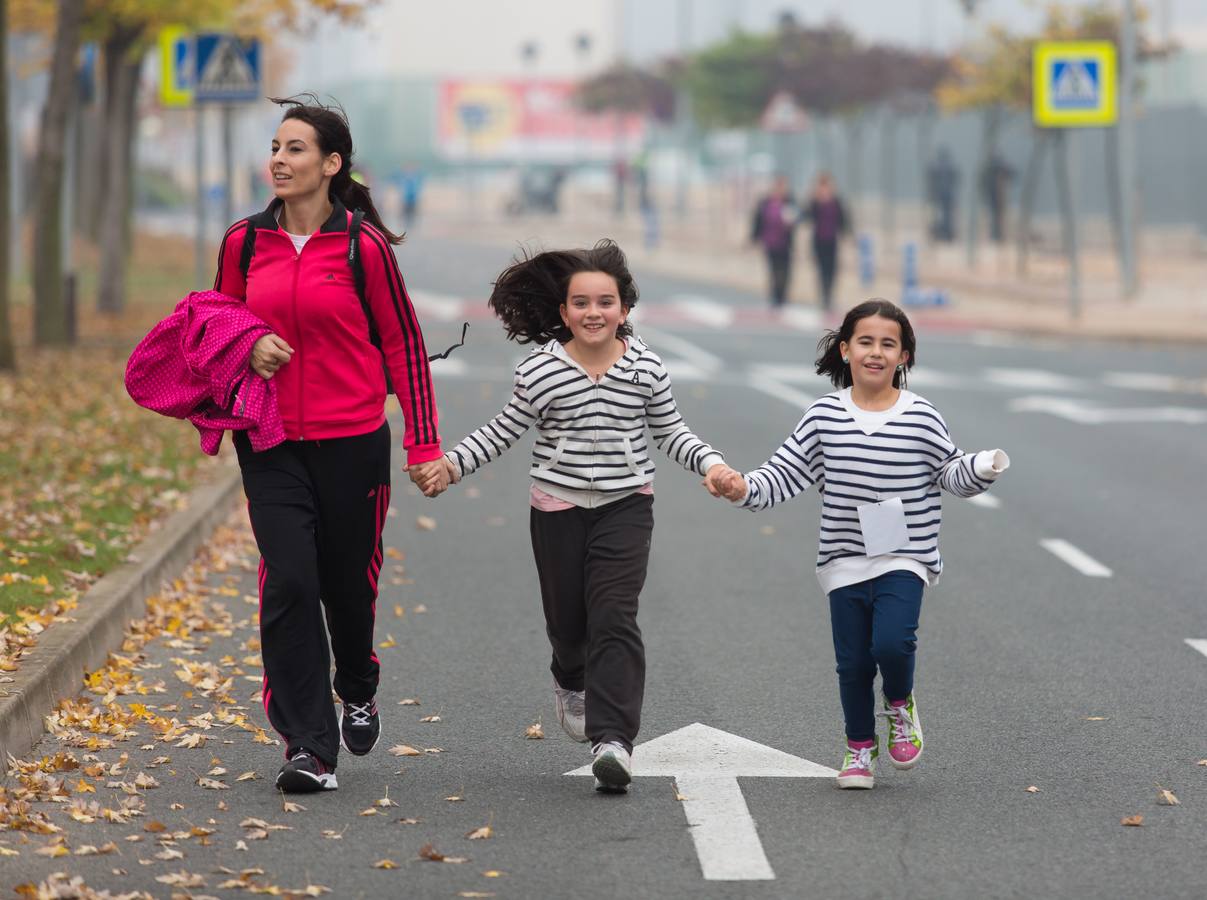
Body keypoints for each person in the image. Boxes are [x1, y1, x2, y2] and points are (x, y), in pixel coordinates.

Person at [416, 240, 736, 794]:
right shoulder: (540, 371)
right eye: (582, 303)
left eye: (606, 302)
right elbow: (503, 430)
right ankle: (569, 677)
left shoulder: (646, 368)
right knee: (568, 624)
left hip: (626, 507)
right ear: (564, 313)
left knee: (614, 616)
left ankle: (613, 741)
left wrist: (713, 466)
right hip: (556, 509)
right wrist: (451, 467)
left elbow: (672, 433)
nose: (595, 313)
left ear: (625, 310)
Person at [212, 95, 448, 794]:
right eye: (275, 148)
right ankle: (308, 747)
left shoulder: (360, 245)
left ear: (331, 163)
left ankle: (359, 683)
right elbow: (214, 325)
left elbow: (402, 342)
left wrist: (423, 444)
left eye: (294, 149)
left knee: (348, 586)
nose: (278, 161)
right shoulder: (243, 243)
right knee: (290, 580)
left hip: (353, 441)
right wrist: (248, 345)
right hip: (270, 440)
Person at [706, 299, 1009, 790]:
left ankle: (899, 702)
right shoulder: (823, 415)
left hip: (905, 555)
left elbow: (949, 472)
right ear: (845, 349)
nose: (876, 352)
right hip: (844, 558)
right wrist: (741, 487)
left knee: (892, 642)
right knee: (852, 662)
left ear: (904, 356)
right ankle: (859, 750)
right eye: (865, 342)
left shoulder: (922, 416)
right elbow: (785, 474)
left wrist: (983, 467)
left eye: (888, 344)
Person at [803, 172, 849, 312]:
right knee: (821, 270)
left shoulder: (836, 201)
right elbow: (805, 216)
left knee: (832, 270)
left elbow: (844, 219)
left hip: (832, 240)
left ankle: (829, 297)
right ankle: (824, 297)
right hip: (818, 240)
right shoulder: (814, 202)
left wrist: (848, 233)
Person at [750, 174, 798, 308]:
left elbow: (798, 217)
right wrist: (754, 237)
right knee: (774, 270)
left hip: (785, 242)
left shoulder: (790, 201)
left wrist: (793, 220)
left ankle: (783, 295)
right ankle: (775, 296)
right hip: (770, 241)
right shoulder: (765, 202)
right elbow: (757, 220)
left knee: (786, 270)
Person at [926, 146, 959, 243]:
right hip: (947, 196)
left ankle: (942, 234)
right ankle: (946, 234)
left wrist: (931, 195)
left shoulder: (935, 167)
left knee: (939, 216)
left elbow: (931, 181)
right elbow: (956, 180)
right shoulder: (951, 167)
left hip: (940, 196)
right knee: (946, 216)